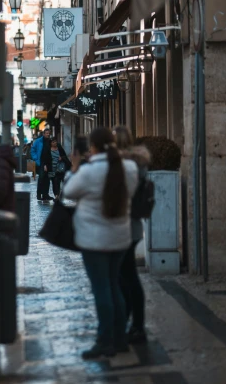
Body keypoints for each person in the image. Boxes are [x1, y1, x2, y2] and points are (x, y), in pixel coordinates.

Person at [64, 127, 139, 359]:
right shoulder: (129, 168)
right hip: (120, 238)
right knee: (115, 286)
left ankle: (105, 341)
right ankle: (119, 339)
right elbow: (132, 192)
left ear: (93, 148)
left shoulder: (88, 172)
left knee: (102, 289)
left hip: (94, 241)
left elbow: (68, 191)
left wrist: (74, 168)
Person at [113, 126, 151, 345]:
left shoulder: (126, 166)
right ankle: (132, 323)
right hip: (133, 226)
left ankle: (136, 325)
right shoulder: (138, 163)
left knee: (126, 276)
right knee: (125, 276)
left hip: (124, 225)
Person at [31, 128, 52, 201]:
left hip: (48, 163)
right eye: (46, 133)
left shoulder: (50, 141)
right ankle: (39, 195)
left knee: (47, 179)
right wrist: (36, 159)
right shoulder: (38, 141)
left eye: (49, 133)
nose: (48, 134)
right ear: (43, 134)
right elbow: (33, 150)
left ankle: (46, 195)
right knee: (41, 178)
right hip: (41, 162)